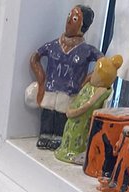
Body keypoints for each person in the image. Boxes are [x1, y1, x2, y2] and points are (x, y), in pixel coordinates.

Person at [29, 6, 100, 151]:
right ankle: (45, 134)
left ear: (83, 26)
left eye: (74, 18)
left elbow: (103, 64)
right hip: (51, 88)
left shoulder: (86, 50)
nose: (68, 21)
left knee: (62, 115)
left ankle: (59, 137)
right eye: (69, 16)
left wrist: (87, 81)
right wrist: (41, 79)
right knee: (48, 112)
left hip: (69, 92)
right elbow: (34, 58)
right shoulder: (53, 45)